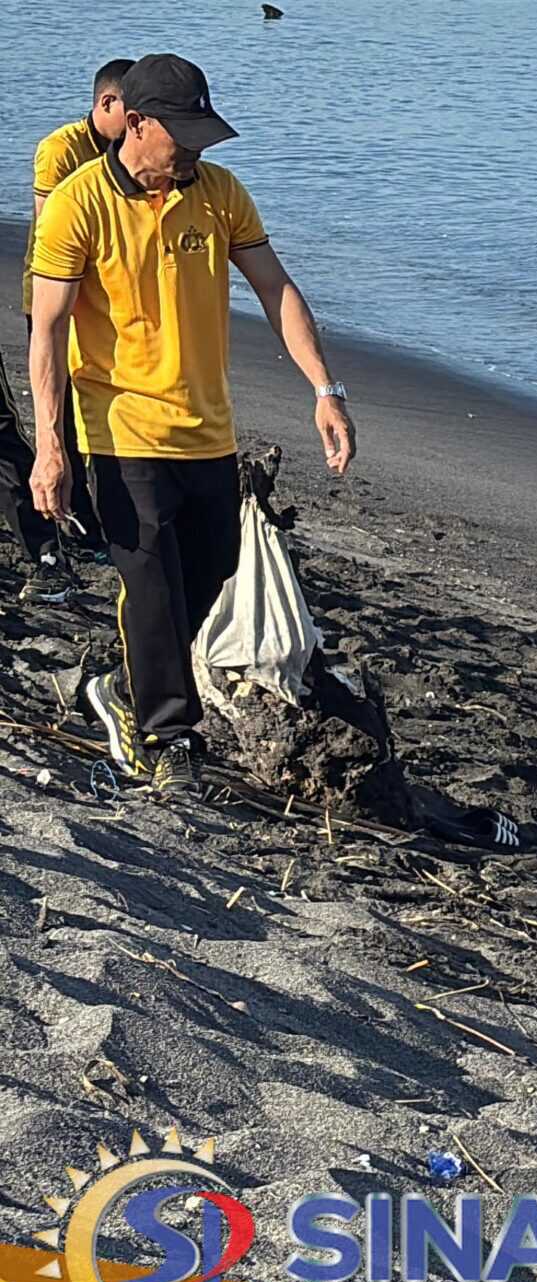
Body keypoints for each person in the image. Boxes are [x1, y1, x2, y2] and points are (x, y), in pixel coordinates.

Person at [27, 53, 357, 794]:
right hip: (117, 424)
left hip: (206, 426)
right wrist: (51, 445)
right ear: (136, 124)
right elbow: (46, 331)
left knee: (210, 572)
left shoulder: (219, 193)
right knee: (149, 580)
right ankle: (166, 737)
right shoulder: (79, 203)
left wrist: (325, 388)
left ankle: (120, 686)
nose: (195, 152)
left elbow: (275, 289)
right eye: (184, 135)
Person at [6, 57, 130, 593]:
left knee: (97, 405)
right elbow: (49, 231)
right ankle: (73, 517)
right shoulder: (61, 149)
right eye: (132, 112)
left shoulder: (125, 150)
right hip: (54, 294)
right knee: (60, 406)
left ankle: (92, 514)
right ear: (106, 103)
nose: (138, 125)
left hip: (105, 300)